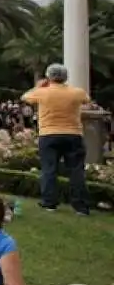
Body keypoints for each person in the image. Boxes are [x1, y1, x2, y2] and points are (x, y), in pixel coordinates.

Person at [21, 63, 91, 215]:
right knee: (76, 170)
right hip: (73, 134)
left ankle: (49, 202)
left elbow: (25, 97)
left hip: (49, 134)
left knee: (49, 169)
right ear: (65, 77)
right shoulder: (76, 92)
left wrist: (39, 85)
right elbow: (87, 99)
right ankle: (81, 206)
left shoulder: (42, 92)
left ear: (48, 76)